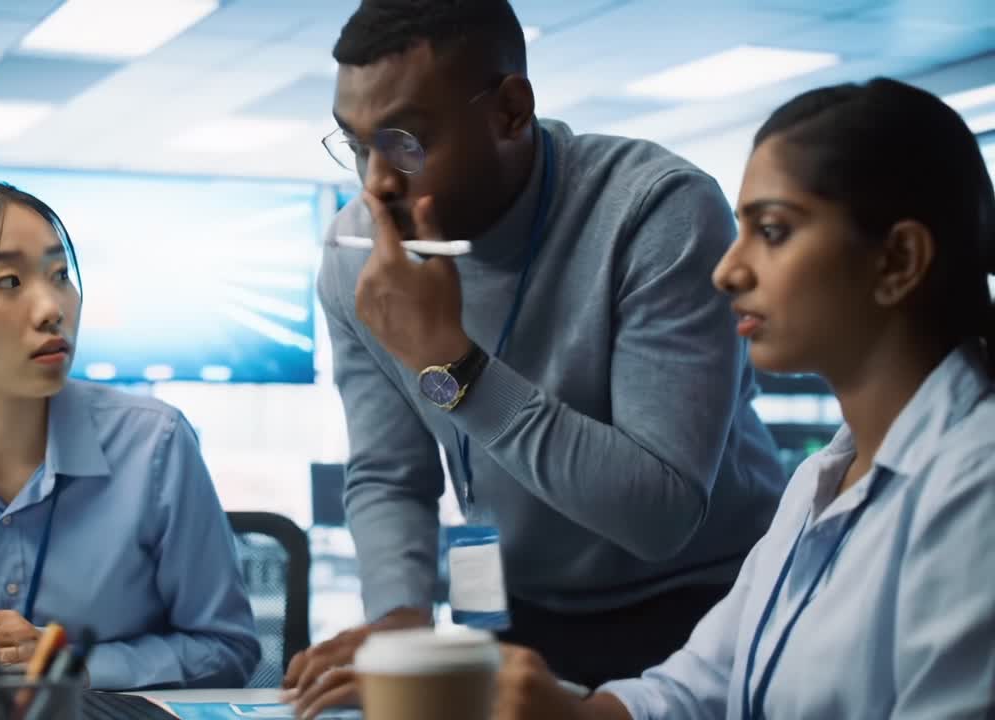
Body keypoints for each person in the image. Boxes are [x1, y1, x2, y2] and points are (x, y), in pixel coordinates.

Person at [286, 0, 787, 714]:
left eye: (405, 142)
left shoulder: (657, 210)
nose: (377, 185)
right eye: (358, 144)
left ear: (511, 111)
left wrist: (454, 367)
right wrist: (397, 621)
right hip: (512, 610)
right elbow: (390, 474)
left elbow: (659, 514)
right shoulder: (356, 256)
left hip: (703, 613)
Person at [493, 76, 995, 719]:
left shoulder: (973, 486)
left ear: (897, 260)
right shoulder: (821, 480)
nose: (728, 271)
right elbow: (703, 684)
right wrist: (571, 714)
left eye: (775, 231)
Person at [0, 182, 260, 692]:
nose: (51, 308)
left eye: (61, 275)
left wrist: (75, 668)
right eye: (9, 282)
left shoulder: (154, 445)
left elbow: (227, 649)